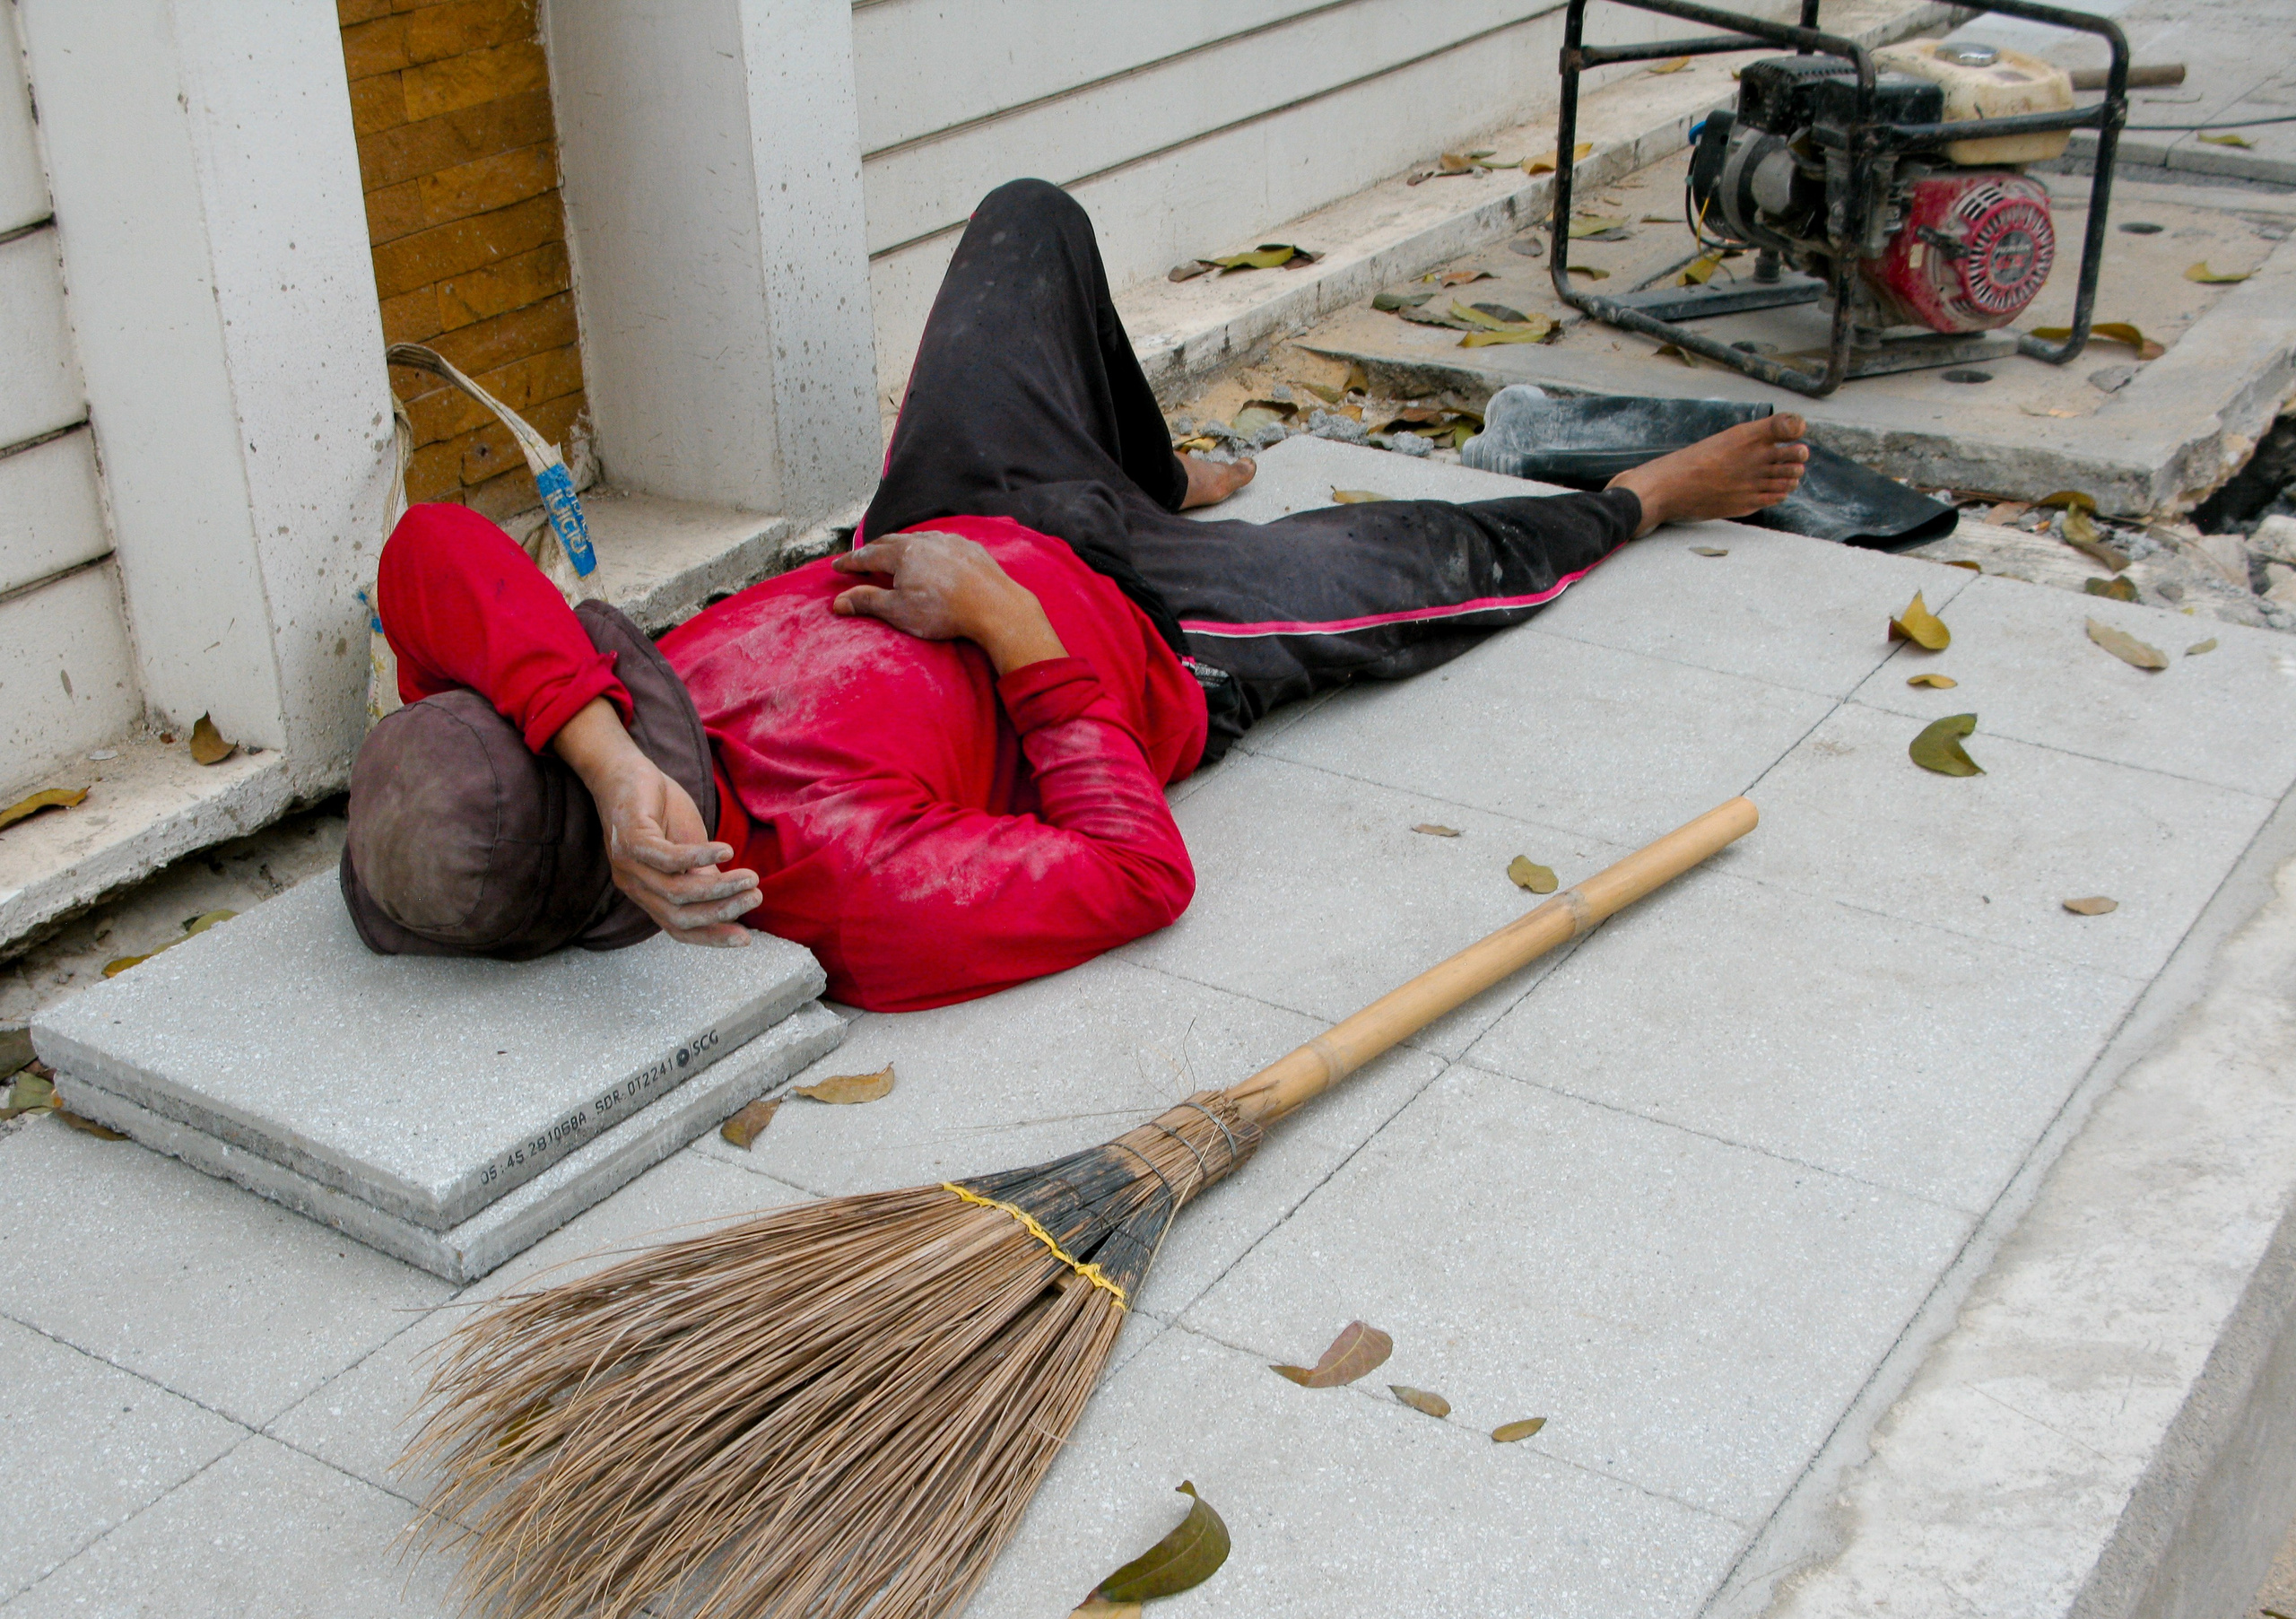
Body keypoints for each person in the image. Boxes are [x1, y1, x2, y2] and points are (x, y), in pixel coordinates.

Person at [346, 179, 1807, 1012]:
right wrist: (1015, 630)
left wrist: (605, 755)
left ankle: (1146, 469)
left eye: (565, 716)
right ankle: (1645, 499)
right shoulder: (836, 884)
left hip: (949, 511)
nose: (587, 712)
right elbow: (1136, 878)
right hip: (1154, 629)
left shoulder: (572, 721)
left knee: (1027, 217)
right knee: (1430, 559)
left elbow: (430, 549)